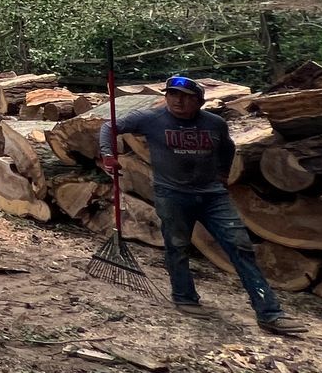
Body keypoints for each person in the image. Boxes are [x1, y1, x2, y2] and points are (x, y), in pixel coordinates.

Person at [100, 74, 306, 336]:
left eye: (185, 97)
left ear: (198, 101)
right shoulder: (151, 119)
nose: (177, 100)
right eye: (172, 94)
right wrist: (108, 155)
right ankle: (184, 297)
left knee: (240, 246)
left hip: (212, 197)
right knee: (177, 246)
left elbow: (228, 150)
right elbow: (109, 127)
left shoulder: (214, 123)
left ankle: (270, 313)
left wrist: (222, 176)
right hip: (172, 194)